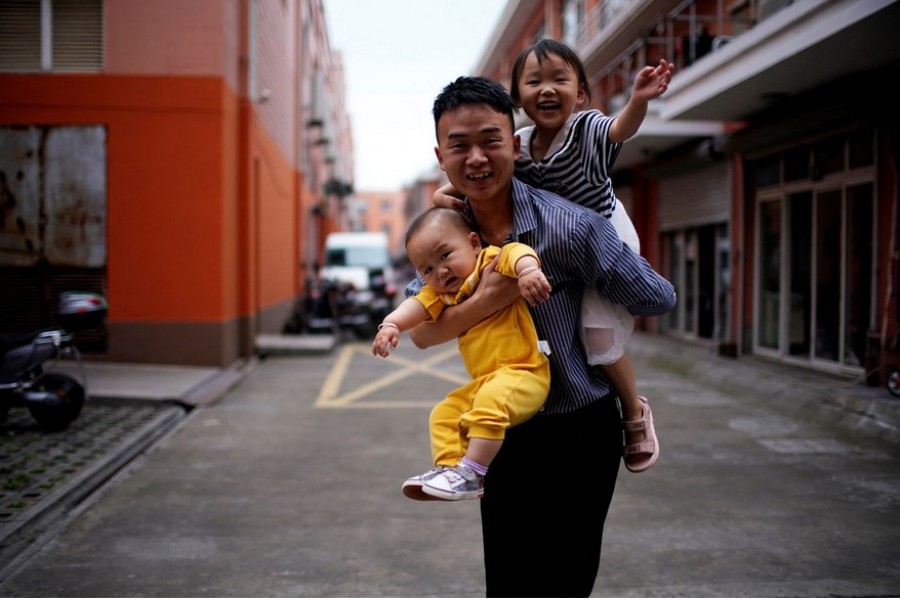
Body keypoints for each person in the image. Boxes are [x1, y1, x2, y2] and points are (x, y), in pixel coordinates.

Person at [410, 75, 676, 596]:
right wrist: (490, 299)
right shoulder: (441, 238)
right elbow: (420, 334)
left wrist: (601, 272)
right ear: (441, 156)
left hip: (581, 428)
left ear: (514, 142)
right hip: (499, 436)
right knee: (508, 583)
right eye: (459, 145)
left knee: (567, 582)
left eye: (490, 139)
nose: (477, 158)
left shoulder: (570, 226)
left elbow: (658, 297)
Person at [434, 38, 673, 473]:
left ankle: (633, 412)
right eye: (534, 81)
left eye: (560, 79)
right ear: (518, 99)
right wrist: (493, 294)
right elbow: (424, 331)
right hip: (500, 420)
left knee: (598, 333)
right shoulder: (466, 216)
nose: (547, 89)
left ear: (581, 92)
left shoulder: (587, 132)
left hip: (606, 229)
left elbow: (620, 130)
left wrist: (639, 100)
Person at [372, 206, 552, 501]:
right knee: (444, 413)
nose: (440, 271)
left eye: (445, 256)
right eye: (427, 269)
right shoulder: (441, 293)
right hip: (487, 380)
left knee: (489, 403)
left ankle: (473, 472)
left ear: (472, 243)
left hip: (525, 372)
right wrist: (391, 324)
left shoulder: (488, 262)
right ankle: (450, 469)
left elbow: (518, 251)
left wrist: (529, 271)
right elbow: (415, 306)